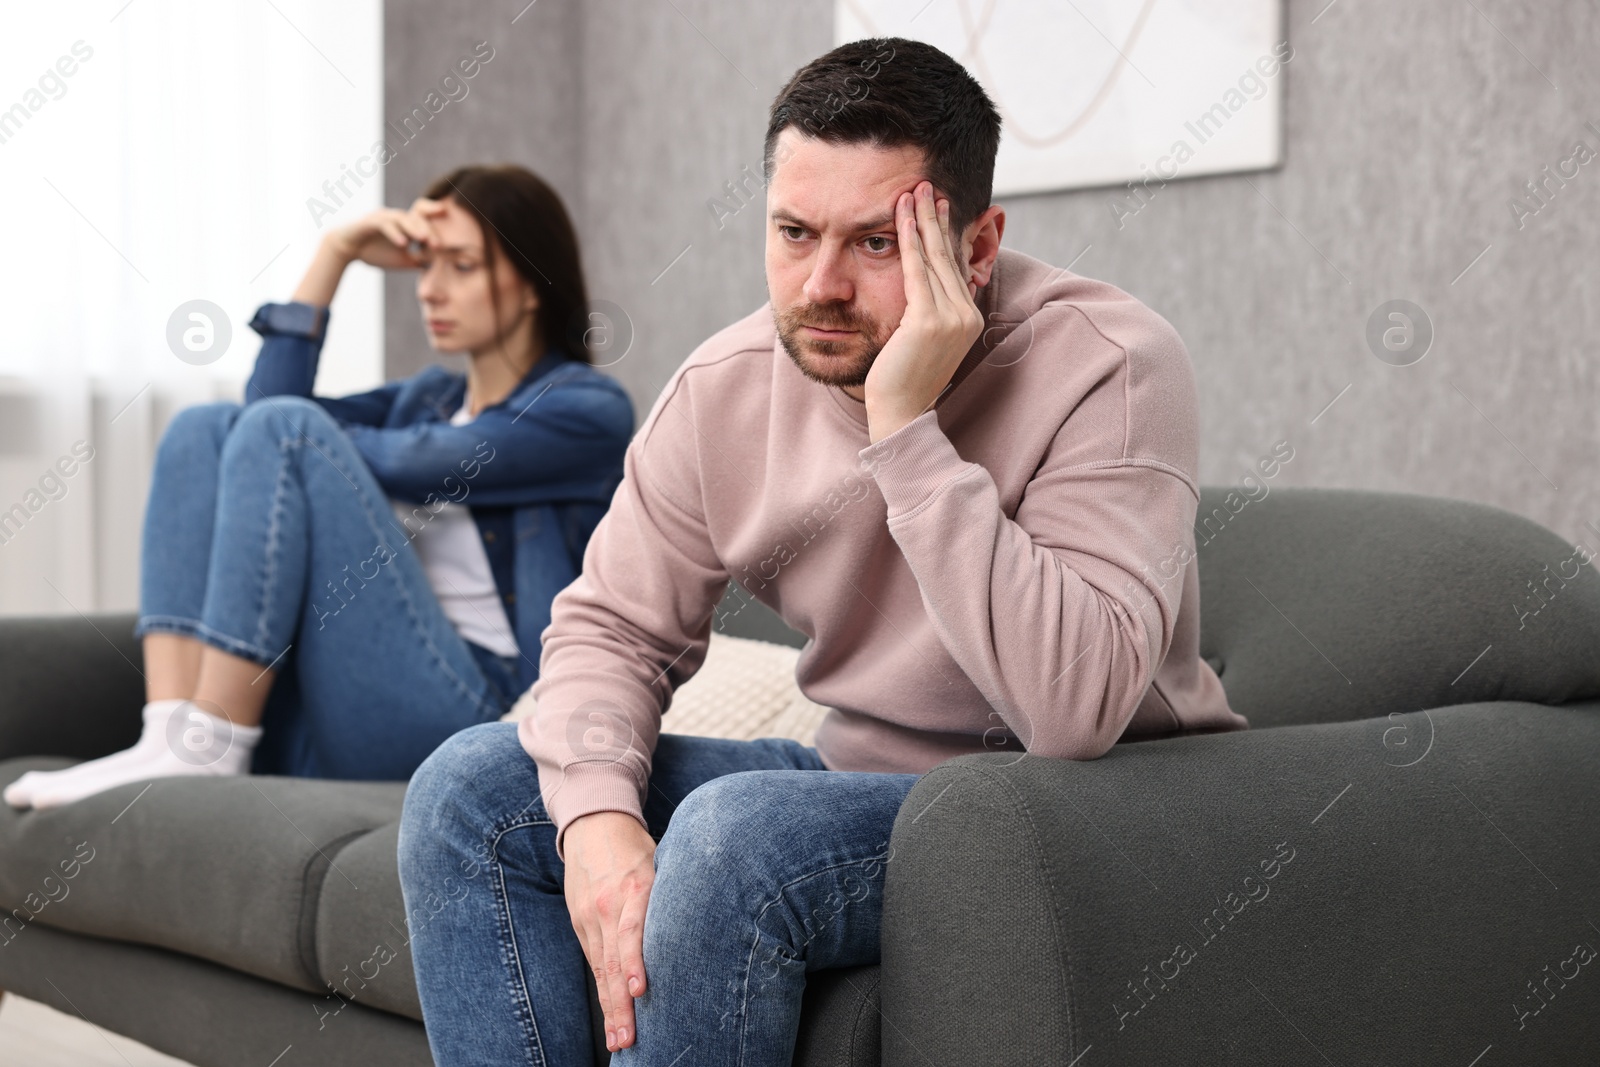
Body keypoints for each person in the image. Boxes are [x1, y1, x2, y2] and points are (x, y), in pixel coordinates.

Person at [396, 38, 1249, 1066]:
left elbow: (1071, 709)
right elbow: (609, 629)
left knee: (729, 839)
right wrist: (597, 823)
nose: (821, 285)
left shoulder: (1106, 365)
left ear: (974, 248)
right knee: (471, 793)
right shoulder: (729, 385)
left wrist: (904, 428)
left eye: (875, 244)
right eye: (794, 232)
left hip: (1087, 802)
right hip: (854, 781)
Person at [4, 164, 634, 811]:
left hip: (473, 711)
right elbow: (254, 423)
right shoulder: (427, 398)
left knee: (288, 430)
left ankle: (213, 747)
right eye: (425, 266)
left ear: (531, 283)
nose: (430, 291)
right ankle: (168, 733)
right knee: (204, 426)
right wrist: (334, 255)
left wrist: (309, 445)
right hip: (348, 699)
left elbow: (386, 454)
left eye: (462, 266)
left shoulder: (586, 409)